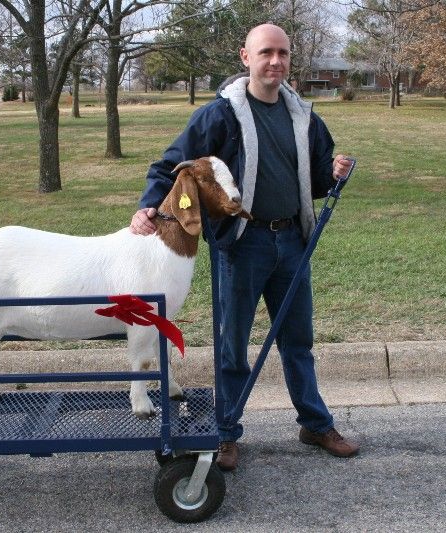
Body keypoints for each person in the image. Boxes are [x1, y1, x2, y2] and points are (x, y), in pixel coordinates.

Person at [130, 23, 359, 471]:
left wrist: (334, 172)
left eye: (283, 53)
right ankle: (227, 431)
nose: (276, 61)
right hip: (241, 245)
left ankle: (315, 423)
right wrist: (147, 208)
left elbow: (313, 179)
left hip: (292, 242)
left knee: (297, 341)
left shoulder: (305, 117)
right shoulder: (219, 115)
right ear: (245, 57)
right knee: (232, 343)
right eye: (266, 53)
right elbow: (169, 165)